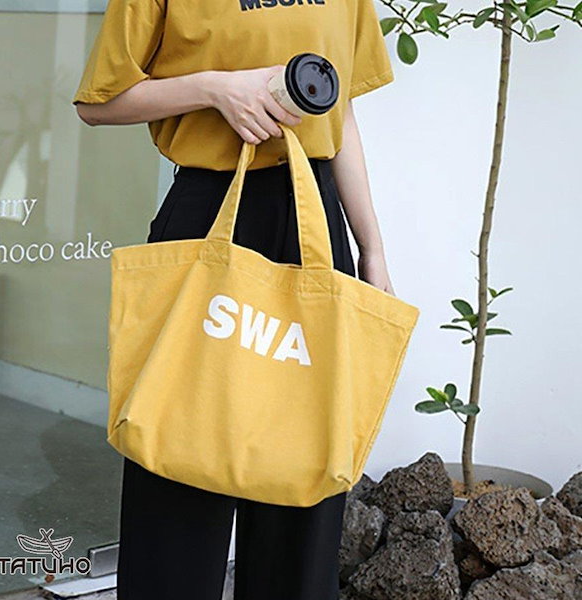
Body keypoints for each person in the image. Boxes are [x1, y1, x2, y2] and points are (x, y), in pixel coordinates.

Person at [72, 0, 397, 598]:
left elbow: (341, 110)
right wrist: (214, 89)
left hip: (313, 224)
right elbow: (99, 102)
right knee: (177, 456)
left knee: (303, 466)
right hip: (207, 213)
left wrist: (371, 246)